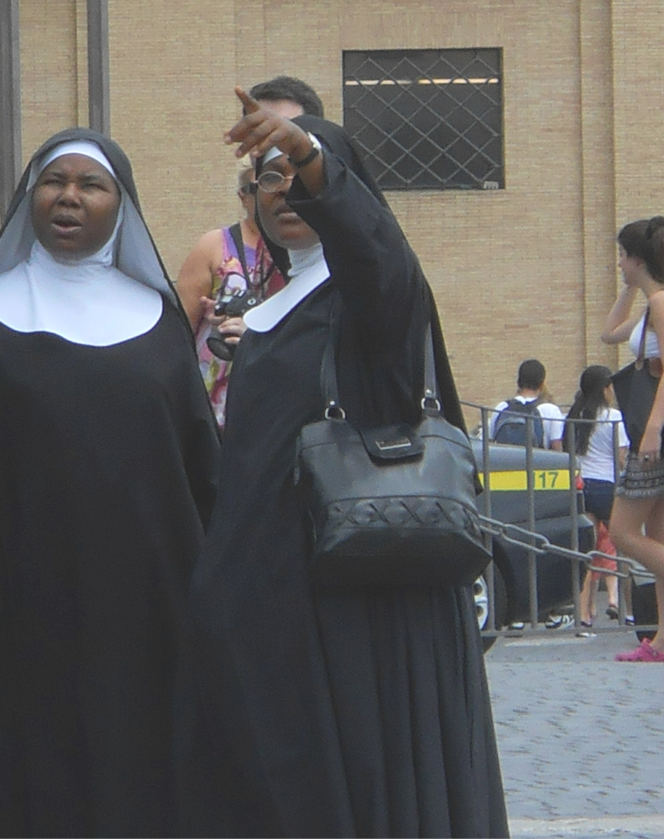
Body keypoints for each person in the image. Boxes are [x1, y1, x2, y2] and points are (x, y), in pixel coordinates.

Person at [175, 90, 508, 836]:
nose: (286, 189)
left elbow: (374, 251)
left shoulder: (373, 294)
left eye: (299, 172)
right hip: (276, 607)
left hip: (360, 609)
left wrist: (311, 158)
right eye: (269, 175)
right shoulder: (272, 306)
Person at [0, 128, 220, 836]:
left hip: (149, 618)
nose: (70, 197)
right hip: (16, 621)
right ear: (29, 198)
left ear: (121, 204)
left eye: (91, 185)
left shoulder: (161, 325)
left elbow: (201, 471)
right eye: (54, 182)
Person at [176, 77, 322, 427]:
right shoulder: (215, 246)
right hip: (221, 423)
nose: (270, 136)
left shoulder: (338, 250)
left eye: (285, 130)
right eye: (256, 126)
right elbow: (174, 340)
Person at [602, 217, 664, 662]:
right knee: (657, 534)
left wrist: (653, 431)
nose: (619, 263)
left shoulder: (660, 303)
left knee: (623, 531)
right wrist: (630, 286)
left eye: (623, 256)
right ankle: (661, 640)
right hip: (650, 430)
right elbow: (608, 333)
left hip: (652, 433)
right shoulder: (651, 304)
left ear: (638, 258)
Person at [565, 365, 628, 630]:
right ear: (605, 388)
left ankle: (584, 612)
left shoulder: (573, 416)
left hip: (581, 485)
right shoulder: (613, 416)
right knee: (625, 547)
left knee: (586, 553)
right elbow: (622, 456)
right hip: (607, 485)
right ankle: (628, 609)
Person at [488, 359, 566, 450]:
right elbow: (557, 449)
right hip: (538, 462)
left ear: (518, 382)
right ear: (541, 384)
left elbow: (491, 441)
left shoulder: (501, 407)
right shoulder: (551, 410)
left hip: (506, 462)